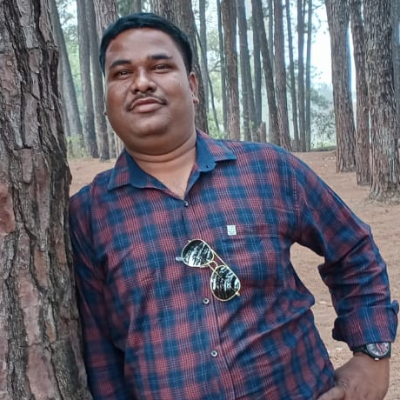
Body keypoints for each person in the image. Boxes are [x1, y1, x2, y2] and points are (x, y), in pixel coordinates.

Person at [69, 12, 398, 400]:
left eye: (160, 66)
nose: (142, 82)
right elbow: (101, 355)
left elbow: (353, 251)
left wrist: (372, 353)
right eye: (122, 73)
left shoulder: (269, 169)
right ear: (106, 99)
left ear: (192, 85)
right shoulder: (89, 216)